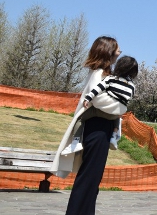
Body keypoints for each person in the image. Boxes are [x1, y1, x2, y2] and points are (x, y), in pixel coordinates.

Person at [50, 36, 122, 215]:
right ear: (108, 51)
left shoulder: (100, 73)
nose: (120, 52)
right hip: (97, 128)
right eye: (117, 49)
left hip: (98, 128)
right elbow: (98, 99)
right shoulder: (99, 74)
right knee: (89, 178)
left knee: (91, 179)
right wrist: (122, 106)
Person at [81, 55, 137, 150]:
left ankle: (76, 140)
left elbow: (98, 88)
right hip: (115, 115)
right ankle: (114, 136)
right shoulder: (132, 86)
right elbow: (128, 98)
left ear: (119, 66)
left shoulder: (111, 78)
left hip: (102, 112)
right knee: (117, 117)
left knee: (80, 118)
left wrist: (88, 98)